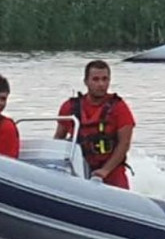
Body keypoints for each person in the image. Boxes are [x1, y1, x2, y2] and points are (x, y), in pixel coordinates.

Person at [55, 60, 135, 189]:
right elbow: (58, 139)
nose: (101, 84)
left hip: (111, 172)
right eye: (95, 79)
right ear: (86, 81)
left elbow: (124, 144)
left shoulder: (119, 108)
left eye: (105, 79)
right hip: (78, 170)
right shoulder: (69, 107)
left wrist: (104, 171)